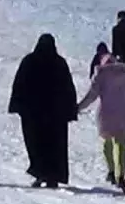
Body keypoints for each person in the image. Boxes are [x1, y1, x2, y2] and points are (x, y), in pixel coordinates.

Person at [8, 34, 78, 189]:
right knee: (55, 146)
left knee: (36, 144)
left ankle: (40, 174)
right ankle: (53, 176)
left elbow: (19, 84)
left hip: (34, 114)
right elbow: (68, 88)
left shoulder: (30, 61)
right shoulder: (59, 63)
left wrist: (17, 105)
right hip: (55, 115)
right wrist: (70, 109)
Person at [78, 54, 125, 189]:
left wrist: (79, 107)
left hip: (105, 115)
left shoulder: (101, 75)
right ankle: (120, 176)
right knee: (121, 146)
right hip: (122, 115)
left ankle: (111, 171)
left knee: (107, 144)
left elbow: (91, 96)